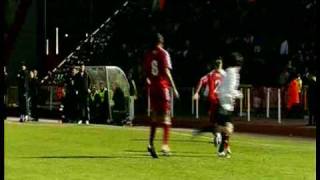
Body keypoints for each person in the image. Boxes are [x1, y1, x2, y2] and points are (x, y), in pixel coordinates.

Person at [143, 32, 179, 158]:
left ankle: (150, 143)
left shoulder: (148, 54)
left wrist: (149, 82)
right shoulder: (164, 53)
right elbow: (167, 72)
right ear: (161, 42)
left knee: (154, 116)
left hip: (152, 88)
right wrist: (174, 88)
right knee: (166, 117)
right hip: (162, 88)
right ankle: (165, 145)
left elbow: (146, 73)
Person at [216, 52, 243, 158]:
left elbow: (221, 87)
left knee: (225, 125)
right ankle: (222, 145)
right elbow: (231, 89)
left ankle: (223, 147)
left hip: (223, 100)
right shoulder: (234, 74)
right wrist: (239, 94)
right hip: (227, 102)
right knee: (229, 126)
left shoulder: (227, 71)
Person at [192, 58, 225, 145]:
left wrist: (196, 93)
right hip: (221, 100)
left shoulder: (210, 74)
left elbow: (201, 80)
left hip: (212, 100)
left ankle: (217, 136)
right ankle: (219, 136)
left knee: (214, 121)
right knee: (220, 121)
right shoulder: (225, 74)